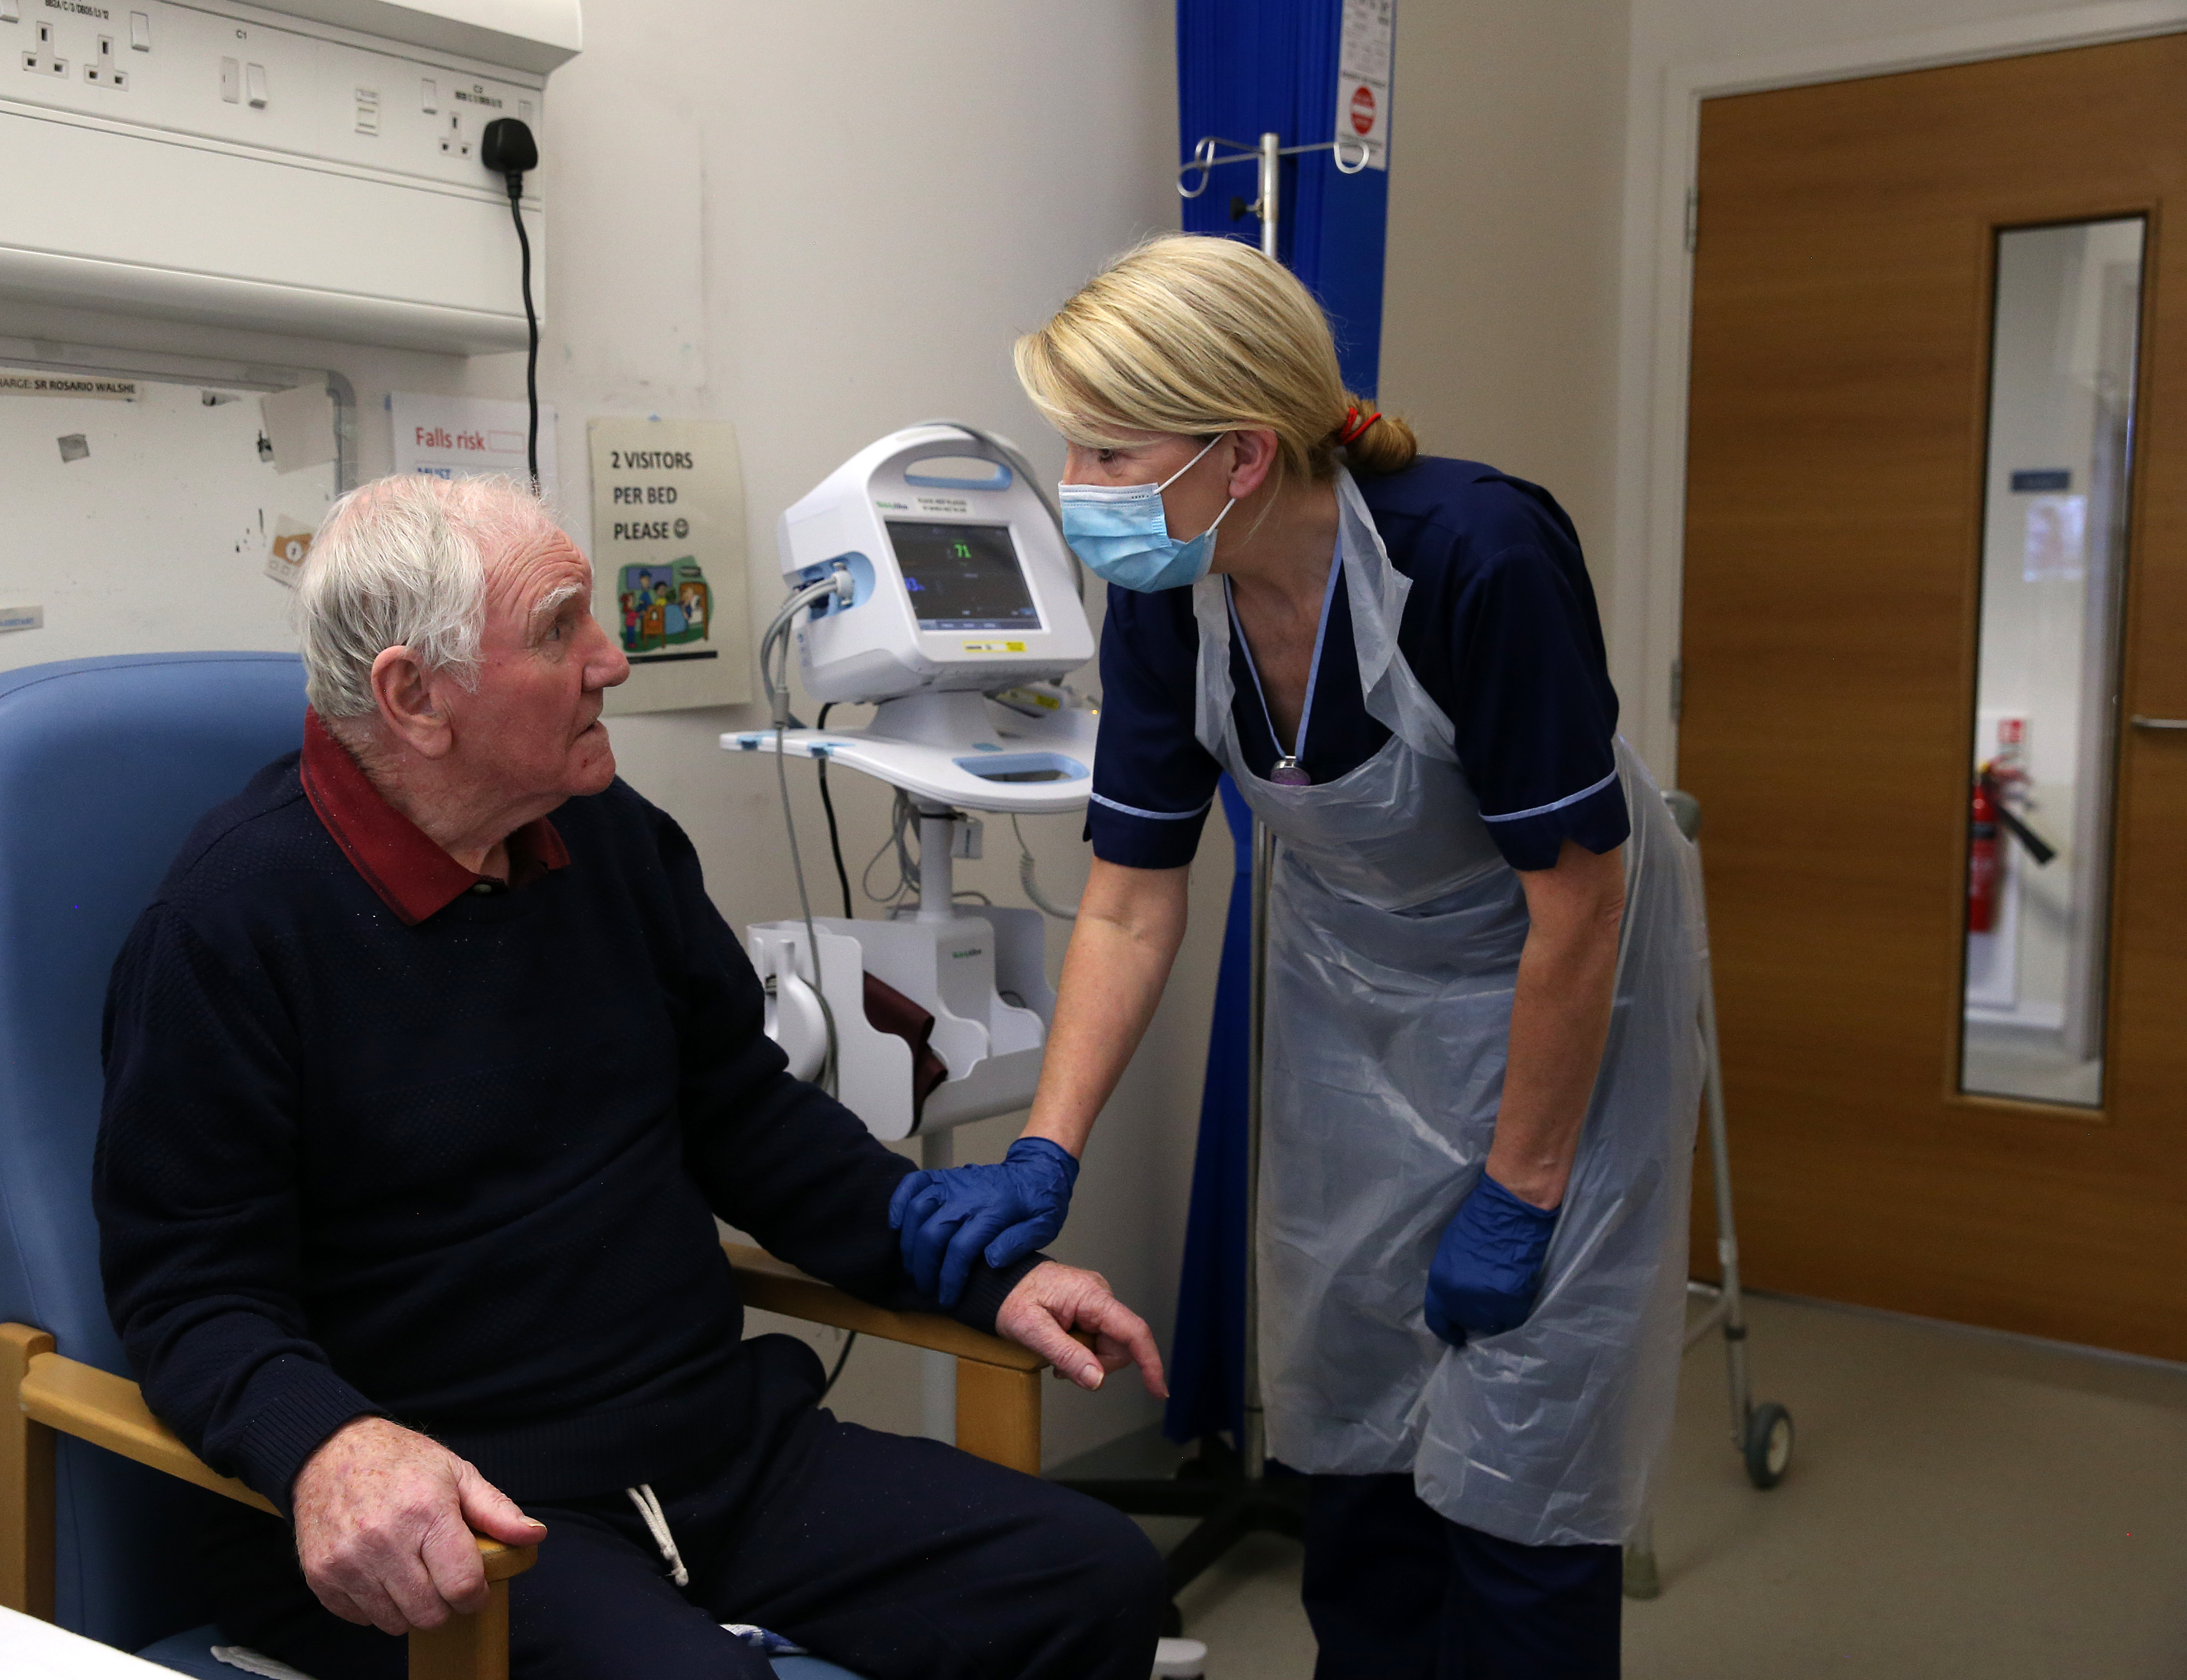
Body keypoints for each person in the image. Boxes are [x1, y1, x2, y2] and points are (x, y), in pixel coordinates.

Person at [95, 473, 1170, 1680]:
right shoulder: (230, 926)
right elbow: (189, 1293)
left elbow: (745, 1115)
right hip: (465, 1515)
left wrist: (965, 1259)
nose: (610, 661)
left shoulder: (609, 838)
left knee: (1095, 1581)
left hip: (718, 1454)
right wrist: (329, 1446)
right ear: (414, 697)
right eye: (560, 629)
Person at [891, 236, 1707, 1678]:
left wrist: (1522, 1190)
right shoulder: (1171, 588)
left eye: (1106, 449)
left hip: (1564, 992)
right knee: (1359, 1440)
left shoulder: (1476, 554)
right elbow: (1136, 898)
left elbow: (1577, 910)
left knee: (1521, 1470)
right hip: (1349, 995)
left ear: (1245, 455)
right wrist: (1046, 1154)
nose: (1079, 490)